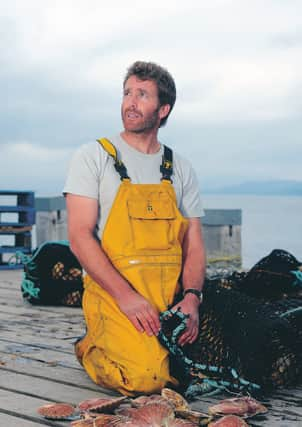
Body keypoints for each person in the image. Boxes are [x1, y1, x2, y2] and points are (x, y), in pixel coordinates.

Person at [63, 61, 206, 396]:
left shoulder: (179, 167)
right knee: (145, 379)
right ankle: (92, 347)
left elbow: (195, 244)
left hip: (168, 299)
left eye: (142, 95)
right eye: (127, 93)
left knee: (200, 371)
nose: (130, 102)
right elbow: (79, 236)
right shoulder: (94, 156)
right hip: (114, 295)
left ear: (163, 109)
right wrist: (126, 297)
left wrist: (192, 298)